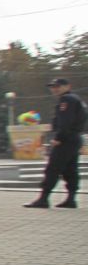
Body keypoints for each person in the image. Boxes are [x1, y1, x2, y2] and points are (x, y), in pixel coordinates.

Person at [26, 76, 83, 208]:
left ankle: (43, 199)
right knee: (70, 169)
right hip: (74, 138)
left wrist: (58, 138)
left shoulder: (66, 100)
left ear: (68, 86)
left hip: (66, 140)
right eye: (53, 87)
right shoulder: (76, 99)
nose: (55, 89)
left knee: (53, 169)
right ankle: (71, 199)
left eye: (58, 86)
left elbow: (65, 122)